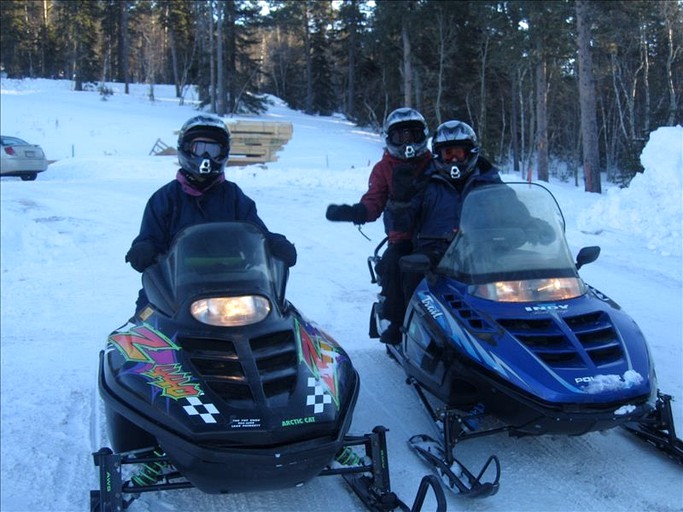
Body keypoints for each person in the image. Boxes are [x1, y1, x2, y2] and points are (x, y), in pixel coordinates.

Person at [125, 115, 297, 313]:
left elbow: (255, 231)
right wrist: (143, 249)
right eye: (200, 148)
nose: (206, 157)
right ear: (186, 149)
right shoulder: (165, 199)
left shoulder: (234, 196)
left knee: (277, 319)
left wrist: (275, 244)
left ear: (223, 153)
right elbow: (149, 236)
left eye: (213, 150)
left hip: (232, 283)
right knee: (143, 325)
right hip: (174, 288)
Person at [395, 119, 554, 300]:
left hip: (485, 251)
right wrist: (400, 203)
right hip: (436, 255)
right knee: (412, 280)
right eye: (448, 154)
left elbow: (513, 210)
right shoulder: (425, 183)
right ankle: (403, 325)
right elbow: (400, 223)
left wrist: (532, 225)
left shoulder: (489, 182)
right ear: (438, 156)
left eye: (459, 154)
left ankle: (527, 318)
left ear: (470, 153)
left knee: (532, 271)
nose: (453, 160)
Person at [325, 108, 432, 344]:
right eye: (400, 137)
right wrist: (357, 211)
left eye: (412, 136)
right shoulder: (384, 168)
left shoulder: (434, 163)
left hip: (438, 235)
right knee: (393, 265)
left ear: (423, 135)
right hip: (403, 237)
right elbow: (375, 199)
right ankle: (394, 321)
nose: (407, 144)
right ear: (389, 139)